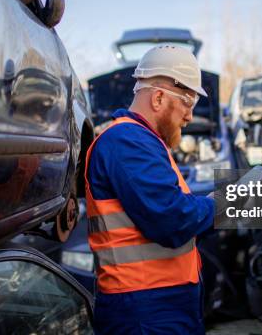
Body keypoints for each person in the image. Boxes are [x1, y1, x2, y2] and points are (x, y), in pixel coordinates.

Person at [85, 45, 216, 334]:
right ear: (158, 97)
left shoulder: (142, 142)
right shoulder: (127, 141)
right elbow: (172, 219)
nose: (190, 117)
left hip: (158, 304)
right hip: (144, 311)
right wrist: (221, 203)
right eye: (187, 104)